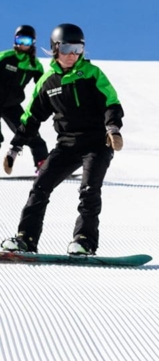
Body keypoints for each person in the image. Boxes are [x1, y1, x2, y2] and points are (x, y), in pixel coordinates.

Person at [1, 23, 124, 255]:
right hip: (66, 144)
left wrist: (113, 128)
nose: (72, 55)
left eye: (78, 49)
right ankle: (26, 238)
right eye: (67, 48)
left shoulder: (92, 74)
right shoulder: (48, 82)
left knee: (89, 190)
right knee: (39, 188)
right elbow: (31, 118)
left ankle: (84, 241)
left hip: (97, 142)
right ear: (55, 48)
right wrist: (15, 147)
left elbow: (111, 102)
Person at [0, 25, 48, 172]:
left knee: (29, 131)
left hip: (12, 105)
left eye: (27, 41)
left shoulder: (34, 65)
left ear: (33, 43)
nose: (23, 44)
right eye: (20, 40)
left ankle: (43, 165)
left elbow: (43, 87)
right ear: (15, 41)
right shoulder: (5, 57)